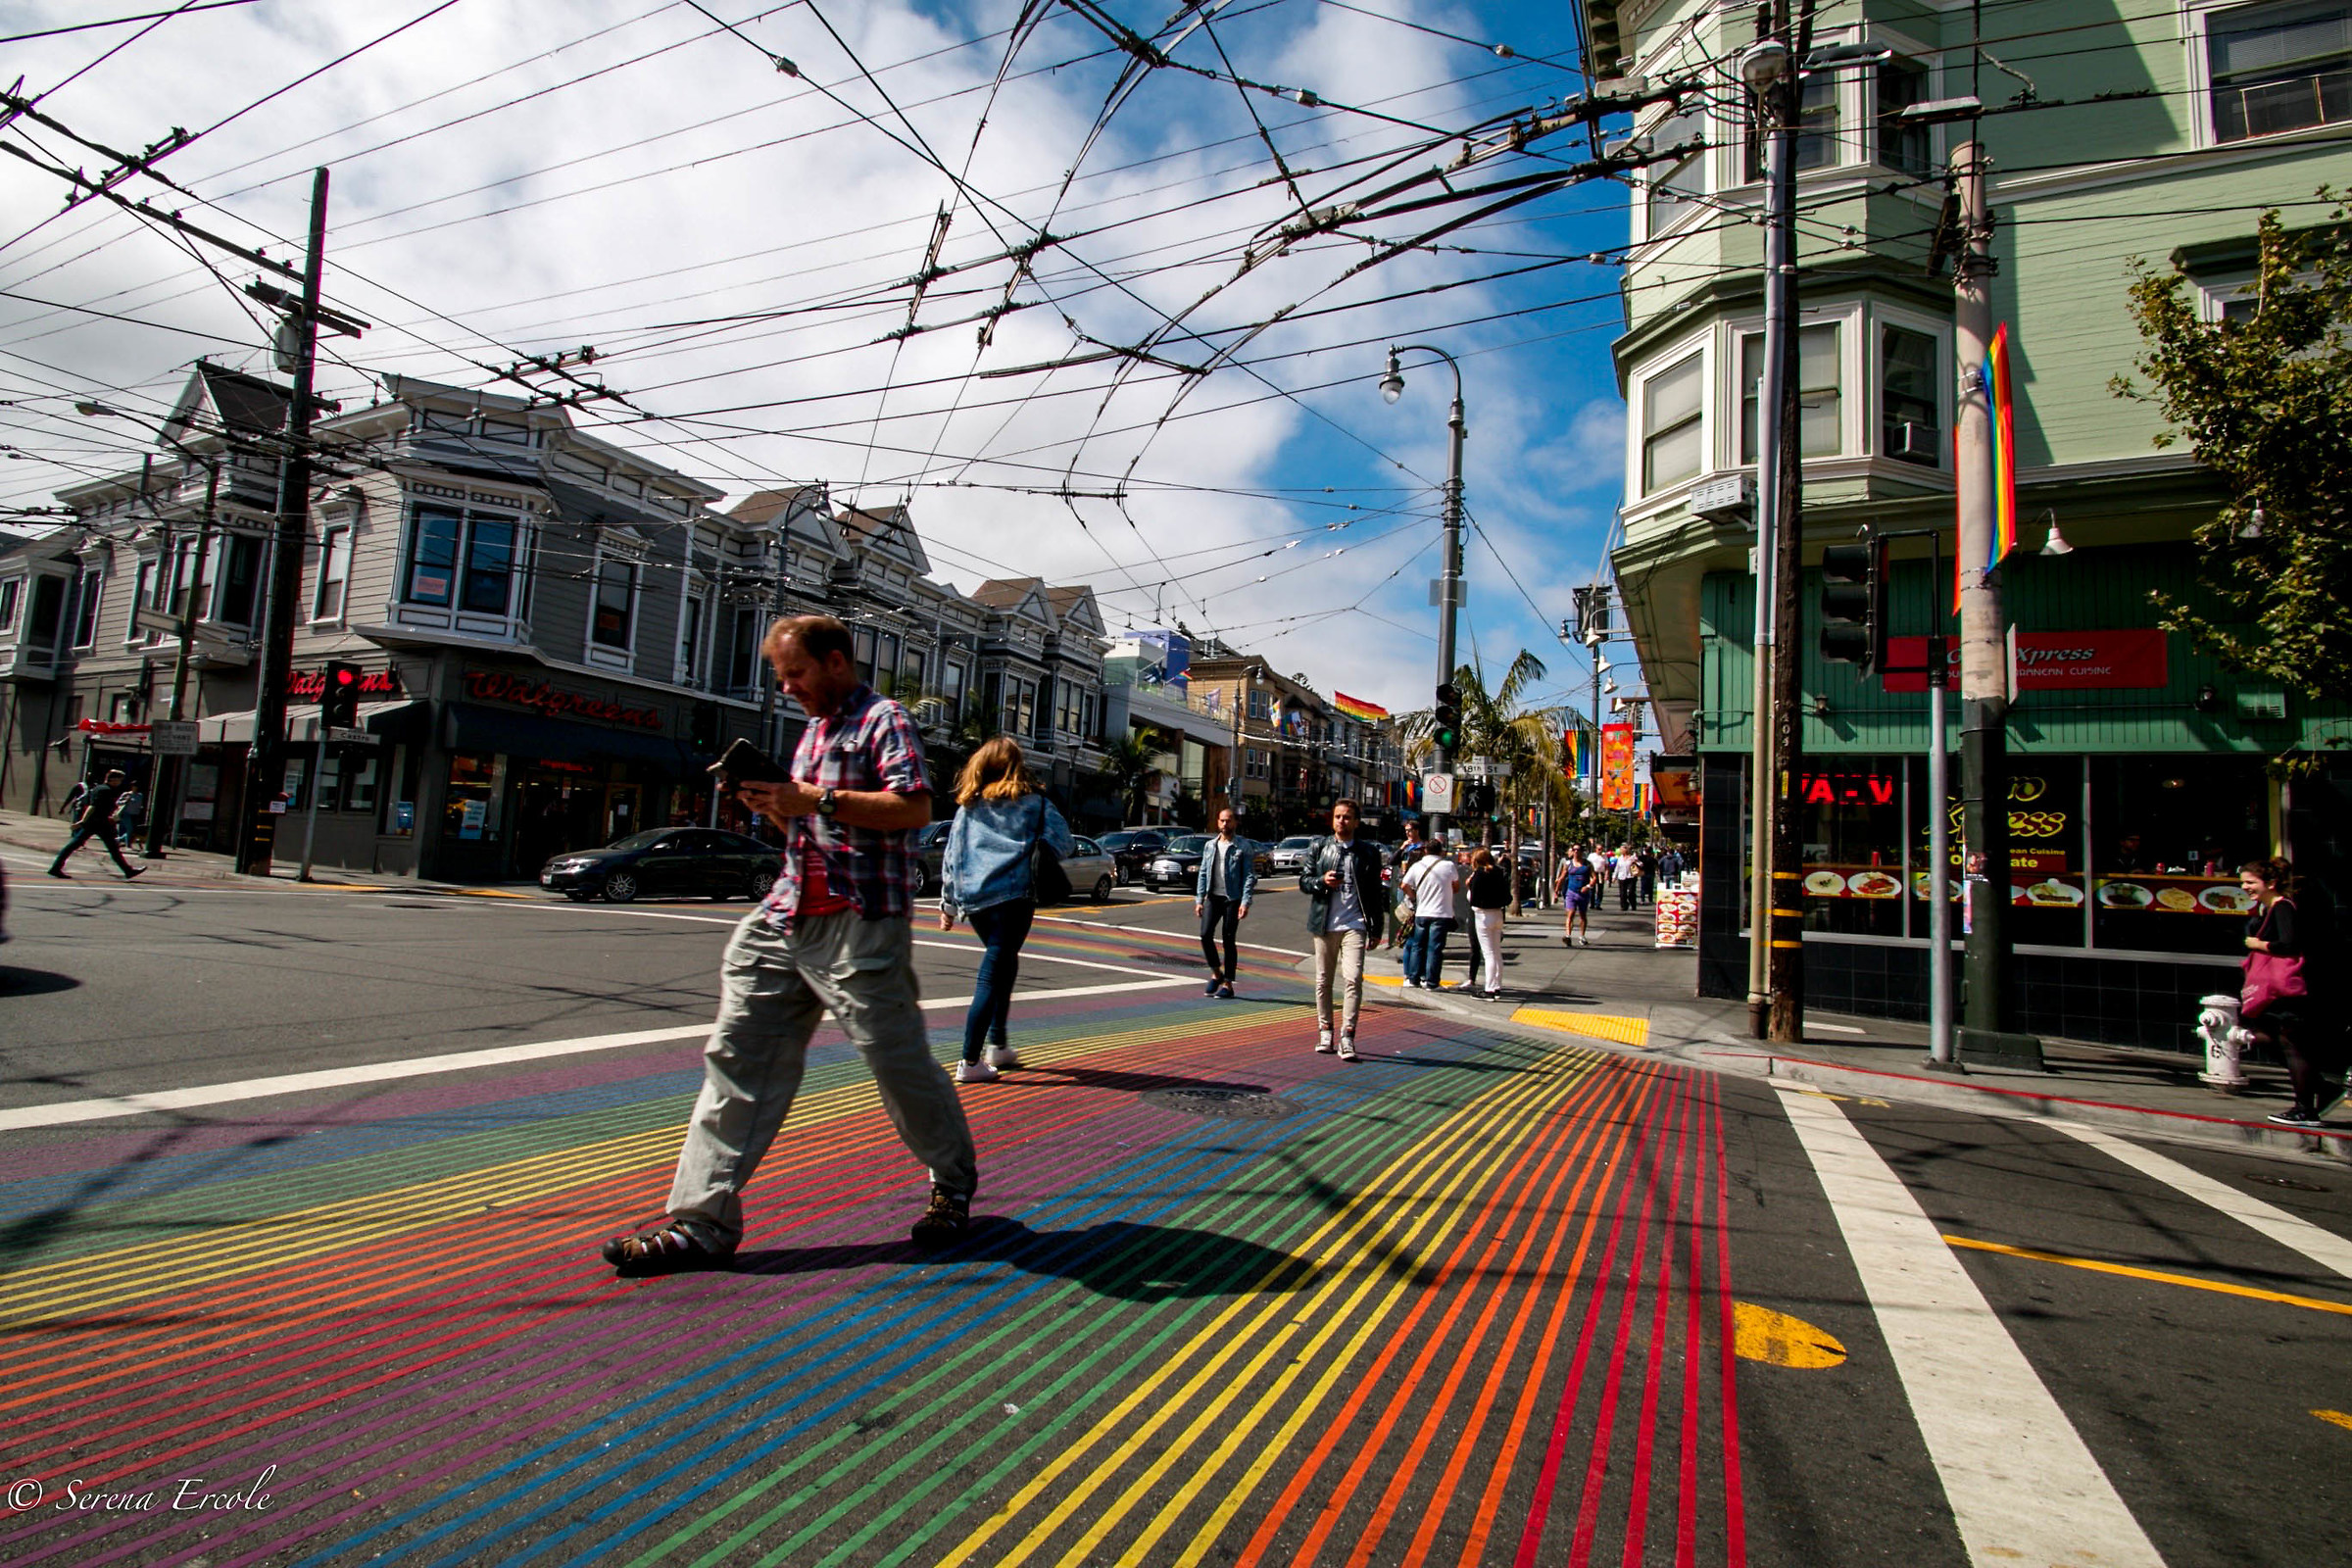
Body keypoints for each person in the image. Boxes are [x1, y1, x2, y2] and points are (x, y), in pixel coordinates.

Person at [603, 614, 976, 1276]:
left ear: (835, 661)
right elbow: (805, 829)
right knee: (737, 1061)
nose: (787, 687)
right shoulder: (810, 733)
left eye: (795, 673)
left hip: (859, 923)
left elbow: (914, 809)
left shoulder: (883, 719)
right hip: (785, 915)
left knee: (898, 1065)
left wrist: (815, 799)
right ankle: (701, 1224)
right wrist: (772, 805)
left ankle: (951, 1181)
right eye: (780, 677)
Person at [939, 736, 1072, 1083]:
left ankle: (997, 1044)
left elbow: (952, 858)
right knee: (993, 970)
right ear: (1016, 765)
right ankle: (970, 1061)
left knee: (1004, 962)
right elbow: (1065, 841)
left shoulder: (967, 807)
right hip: (1015, 898)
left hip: (976, 901)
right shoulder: (1034, 803)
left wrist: (948, 905)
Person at [2240, 858, 2340, 1128]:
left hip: (2287, 991)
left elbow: (2290, 944)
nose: (2245, 887)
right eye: (2243, 883)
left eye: (2251, 882)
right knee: (2266, 1037)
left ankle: (2305, 1109)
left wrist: (2257, 944)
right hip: (2276, 992)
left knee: (2291, 1045)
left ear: (2271, 883)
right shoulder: (2270, 908)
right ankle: (2321, 1088)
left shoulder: (2282, 907)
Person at [1300, 798, 1387, 1059]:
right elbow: (1304, 881)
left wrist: (1376, 929)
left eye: (1347, 817)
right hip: (1325, 924)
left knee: (1353, 978)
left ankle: (1347, 1036)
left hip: (1355, 924)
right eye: (1338, 816)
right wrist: (1322, 881)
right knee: (1323, 981)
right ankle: (1325, 1030)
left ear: (1356, 822)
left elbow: (1375, 894)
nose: (1341, 821)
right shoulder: (1319, 847)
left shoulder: (1368, 853)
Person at [1194, 806, 1257, 997]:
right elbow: (1203, 872)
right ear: (1217, 822)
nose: (1224, 824)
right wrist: (1199, 899)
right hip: (1213, 896)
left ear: (1235, 823)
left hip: (1233, 898)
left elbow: (1249, 876)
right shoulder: (1210, 845)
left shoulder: (1243, 846)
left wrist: (1245, 902)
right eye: (1222, 820)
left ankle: (1228, 984)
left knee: (1228, 940)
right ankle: (1216, 973)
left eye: (1228, 820)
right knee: (1205, 934)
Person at [48, 769, 146, 881]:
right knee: (110, 848)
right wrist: (82, 821)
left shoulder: (99, 788)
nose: (120, 782)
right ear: (113, 779)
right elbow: (93, 806)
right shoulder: (105, 790)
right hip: (99, 823)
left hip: (97, 822)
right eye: (120, 780)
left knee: (79, 845)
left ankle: (128, 870)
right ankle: (128, 871)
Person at [1401, 840, 1462, 989]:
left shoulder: (1417, 866)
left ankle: (1413, 979)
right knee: (1435, 948)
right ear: (1441, 851)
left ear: (1425, 851)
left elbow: (1404, 885)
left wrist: (1414, 897)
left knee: (1417, 946)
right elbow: (1456, 887)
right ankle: (1432, 982)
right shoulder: (1448, 866)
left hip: (1422, 911)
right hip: (1442, 913)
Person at [1463, 846, 1511, 1000]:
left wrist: (1470, 885)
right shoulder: (1499, 873)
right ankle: (1496, 986)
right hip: (1497, 913)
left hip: (1483, 915)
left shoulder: (1478, 875)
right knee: (1496, 952)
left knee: (1488, 953)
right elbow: (1508, 897)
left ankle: (1489, 989)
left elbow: (1473, 899)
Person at [1554, 847, 1592, 947]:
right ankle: (1568, 936)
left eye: (1578, 850)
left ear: (1581, 852)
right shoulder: (1568, 864)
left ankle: (1582, 936)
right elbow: (1562, 877)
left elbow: (1594, 878)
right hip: (1571, 892)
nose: (1576, 851)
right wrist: (1556, 891)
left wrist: (1588, 886)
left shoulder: (1587, 864)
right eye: (1574, 850)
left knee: (1582, 915)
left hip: (1583, 894)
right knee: (1570, 914)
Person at [114, 783, 147, 850]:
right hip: (126, 814)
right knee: (130, 829)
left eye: (136, 786)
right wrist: (125, 800)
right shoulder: (126, 794)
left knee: (132, 831)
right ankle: (128, 845)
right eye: (134, 786)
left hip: (135, 814)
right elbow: (117, 803)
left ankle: (119, 839)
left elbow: (140, 804)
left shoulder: (140, 795)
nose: (135, 788)